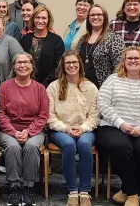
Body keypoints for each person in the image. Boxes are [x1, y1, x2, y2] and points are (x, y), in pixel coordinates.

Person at [96, 46, 140, 206]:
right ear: (124, 61)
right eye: (130, 58)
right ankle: (135, 193)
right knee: (120, 146)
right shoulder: (113, 80)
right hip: (114, 126)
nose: (133, 61)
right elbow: (102, 104)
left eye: (137, 58)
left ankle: (127, 190)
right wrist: (122, 124)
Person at [47, 50, 100, 206]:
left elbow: (95, 116)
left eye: (74, 62)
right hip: (60, 130)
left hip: (85, 129)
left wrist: (82, 128)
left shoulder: (90, 87)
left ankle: (84, 191)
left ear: (80, 65)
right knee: (69, 145)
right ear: (63, 66)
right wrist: (65, 128)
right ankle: (72, 191)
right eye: (68, 63)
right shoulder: (53, 87)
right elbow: (49, 115)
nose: (71, 65)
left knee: (84, 144)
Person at [0, 52, 49, 206]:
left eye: (26, 62)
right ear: (14, 67)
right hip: (8, 130)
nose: (22, 65)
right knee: (13, 146)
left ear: (32, 66)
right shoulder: (5, 87)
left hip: (34, 131)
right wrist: (13, 132)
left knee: (32, 146)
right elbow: (0, 113)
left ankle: (28, 187)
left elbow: (43, 115)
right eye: (19, 62)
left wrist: (29, 132)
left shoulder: (40, 89)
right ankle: (13, 187)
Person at [73, 4, 125, 88]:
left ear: (105, 17)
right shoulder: (83, 39)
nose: (95, 17)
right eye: (92, 15)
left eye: (99, 14)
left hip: (104, 88)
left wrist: (110, 88)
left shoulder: (114, 38)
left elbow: (119, 66)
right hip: (82, 87)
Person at [19, 5, 65, 87]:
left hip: (49, 86)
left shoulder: (56, 40)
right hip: (26, 85)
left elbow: (58, 66)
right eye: (37, 17)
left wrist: (44, 85)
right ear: (33, 19)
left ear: (48, 20)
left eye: (44, 18)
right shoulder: (25, 39)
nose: (40, 21)